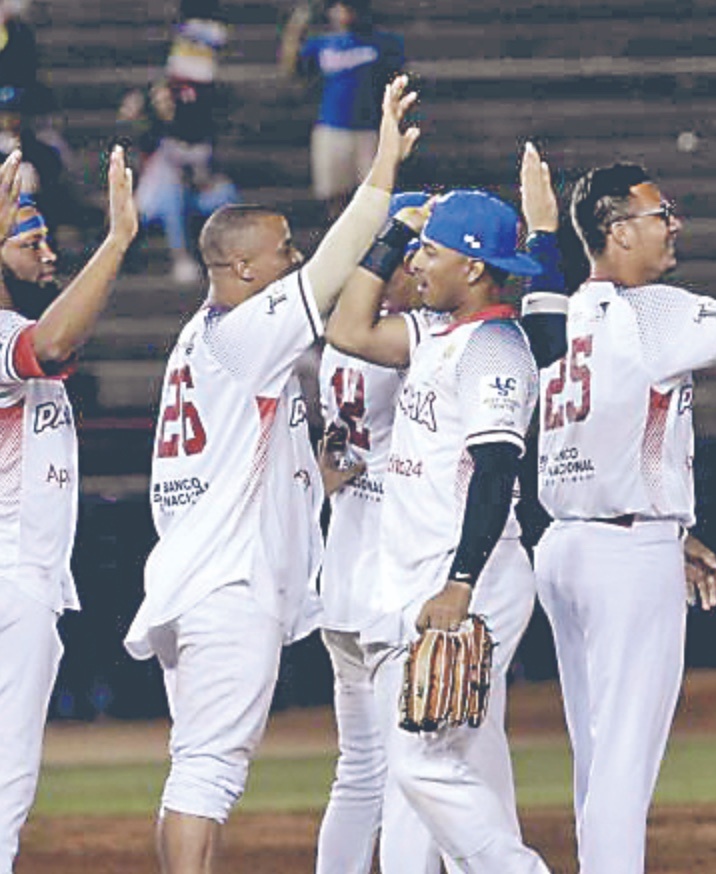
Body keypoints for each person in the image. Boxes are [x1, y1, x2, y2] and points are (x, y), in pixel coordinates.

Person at [123, 75, 419, 874]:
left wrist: (311, 483)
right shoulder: (247, 333)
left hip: (195, 576)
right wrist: (384, 169)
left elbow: (239, 462)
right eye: (282, 250)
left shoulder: (203, 335)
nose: (293, 260)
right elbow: (331, 271)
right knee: (208, 773)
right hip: (225, 590)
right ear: (245, 269)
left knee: (200, 764)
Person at [527, 118, 716, 874]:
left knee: (596, 752)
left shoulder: (559, 313)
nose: (674, 224)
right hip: (622, 555)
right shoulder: (650, 310)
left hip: (569, 544)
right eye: (658, 213)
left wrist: (672, 532)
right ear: (615, 231)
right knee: (624, 758)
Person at [325, 187, 552, 872]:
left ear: (476, 267)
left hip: (468, 578)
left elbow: (495, 470)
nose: (418, 263)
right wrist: (394, 231)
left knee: (419, 758)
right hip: (421, 573)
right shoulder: (433, 333)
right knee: (468, 760)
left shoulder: (494, 348)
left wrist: (460, 583)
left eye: (431, 250)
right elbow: (348, 329)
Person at [0, 145, 137, 874]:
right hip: (10, 576)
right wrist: (117, 242)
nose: (48, 252)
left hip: (26, 575)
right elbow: (52, 342)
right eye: (30, 242)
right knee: (6, 780)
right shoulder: (4, 338)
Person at [316, 189, 454, 874]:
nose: (427, 268)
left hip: (341, 574)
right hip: (390, 583)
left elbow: (328, 461)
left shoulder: (339, 342)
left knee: (360, 773)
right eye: (419, 254)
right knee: (415, 773)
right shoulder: (404, 341)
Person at [119, 0, 238, 284]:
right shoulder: (153, 134)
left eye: (169, 101)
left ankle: (232, 261)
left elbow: (206, 174)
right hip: (155, 202)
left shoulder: (198, 130)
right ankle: (181, 257)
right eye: (160, 101)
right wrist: (141, 115)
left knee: (227, 194)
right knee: (172, 192)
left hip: (193, 196)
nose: (165, 105)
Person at [279, 0, 405, 221]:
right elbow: (292, 68)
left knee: (374, 192)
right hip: (332, 125)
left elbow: (398, 76)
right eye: (339, 8)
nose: (344, 13)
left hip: (369, 127)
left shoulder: (381, 43)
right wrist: (296, 28)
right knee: (334, 193)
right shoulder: (323, 44)